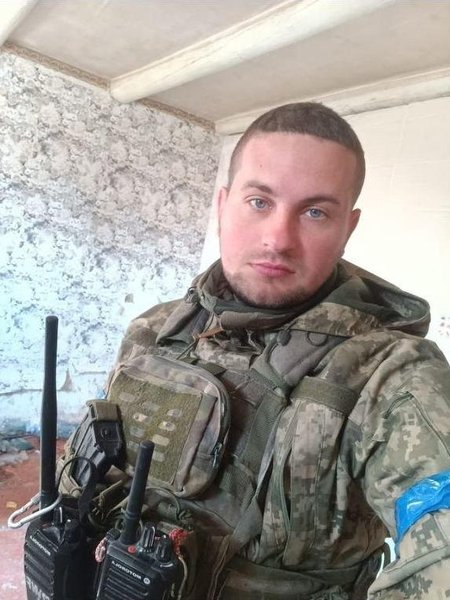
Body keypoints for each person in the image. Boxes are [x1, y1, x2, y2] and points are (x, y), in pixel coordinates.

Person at [105, 102, 450, 599]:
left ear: (348, 228)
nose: (278, 239)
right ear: (223, 205)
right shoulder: (155, 329)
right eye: (259, 202)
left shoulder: (393, 376)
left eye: (315, 212)